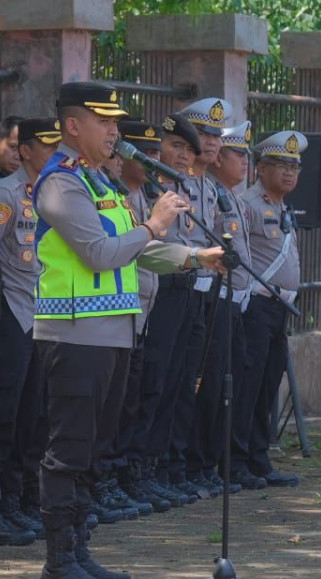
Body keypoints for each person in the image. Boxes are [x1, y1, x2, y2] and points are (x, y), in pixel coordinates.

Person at [32, 81, 223, 579]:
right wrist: (157, 226)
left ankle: (80, 552)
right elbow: (98, 253)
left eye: (117, 123)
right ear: (74, 126)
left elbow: (131, 250)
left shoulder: (101, 183)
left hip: (114, 331)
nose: (115, 131)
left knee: (94, 449)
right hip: (73, 334)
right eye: (104, 122)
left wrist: (192, 257)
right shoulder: (61, 184)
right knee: (69, 450)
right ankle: (57, 562)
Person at [0, 118, 62, 542]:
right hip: (9, 312)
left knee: (34, 417)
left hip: (45, 313)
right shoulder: (5, 195)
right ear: (24, 150)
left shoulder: (57, 190)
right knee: (0, 415)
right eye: (47, 145)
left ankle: (20, 500)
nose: (55, 151)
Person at [123, 112, 206, 510]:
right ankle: (131, 471)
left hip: (173, 287)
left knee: (168, 385)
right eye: (172, 147)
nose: (176, 156)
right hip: (149, 296)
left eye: (186, 150)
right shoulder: (139, 193)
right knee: (145, 386)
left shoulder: (167, 189)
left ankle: (150, 469)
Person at [100, 119, 172, 515]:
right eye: (141, 152)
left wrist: (197, 258)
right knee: (110, 405)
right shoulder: (109, 196)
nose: (150, 161)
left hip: (138, 311)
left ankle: (122, 475)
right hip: (104, 315)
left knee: (130, 402)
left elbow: (144, 253)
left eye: (155, 153)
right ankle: (102, 479)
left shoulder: (137, 196)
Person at [231, 130, 306, 490]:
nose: (289, 173)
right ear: (260, 168)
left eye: (294, 166)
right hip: (257, 305)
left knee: (267, 387)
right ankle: (236, 460)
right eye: (280, 165)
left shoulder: (282, 207)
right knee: (248, 385)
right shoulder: (247, 204)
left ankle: (259, 458)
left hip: (278, 308)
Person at [175, 97, 235, 498]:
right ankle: (165, 466)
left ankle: (181, 465)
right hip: (175, 285)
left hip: (203, 290)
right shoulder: (174, 181)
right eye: (204, 134)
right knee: (171, 383)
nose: (211, 142)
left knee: (189, 384)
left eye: (216, 135)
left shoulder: (208, 186)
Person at [194, 121, 254, 495]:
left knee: (231, 386)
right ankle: (197, 463)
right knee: (210, 387)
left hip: (235, 301)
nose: (243, 162)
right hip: (213, 299)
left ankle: (212, 463)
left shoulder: (228, 195)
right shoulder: (210, 192)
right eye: (238, 154)